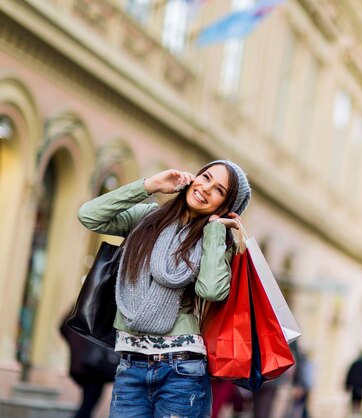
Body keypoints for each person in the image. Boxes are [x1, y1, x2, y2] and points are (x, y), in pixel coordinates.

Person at [77, 160, 251, 417]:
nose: (205, 188)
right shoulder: (146, 219)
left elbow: (211, 291)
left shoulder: (214, 243)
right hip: (130, 367)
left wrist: (215, 231)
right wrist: (151, 185)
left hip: (182, 373)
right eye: (205, 177)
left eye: (219, 190)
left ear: (226, 207)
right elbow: (89, 215)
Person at [60, 319, 119, 418]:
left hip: (91, 364)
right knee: (87, 406)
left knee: (88, 403)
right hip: (94, 365)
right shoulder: (98, 308)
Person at [345, 350, 362, 417]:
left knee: (355, 404)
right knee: (357, 404)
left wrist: (347, 385)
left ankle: (355, 415)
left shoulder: (357, 365)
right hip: (358, 389)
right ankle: (355, 415)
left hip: (356, 388)